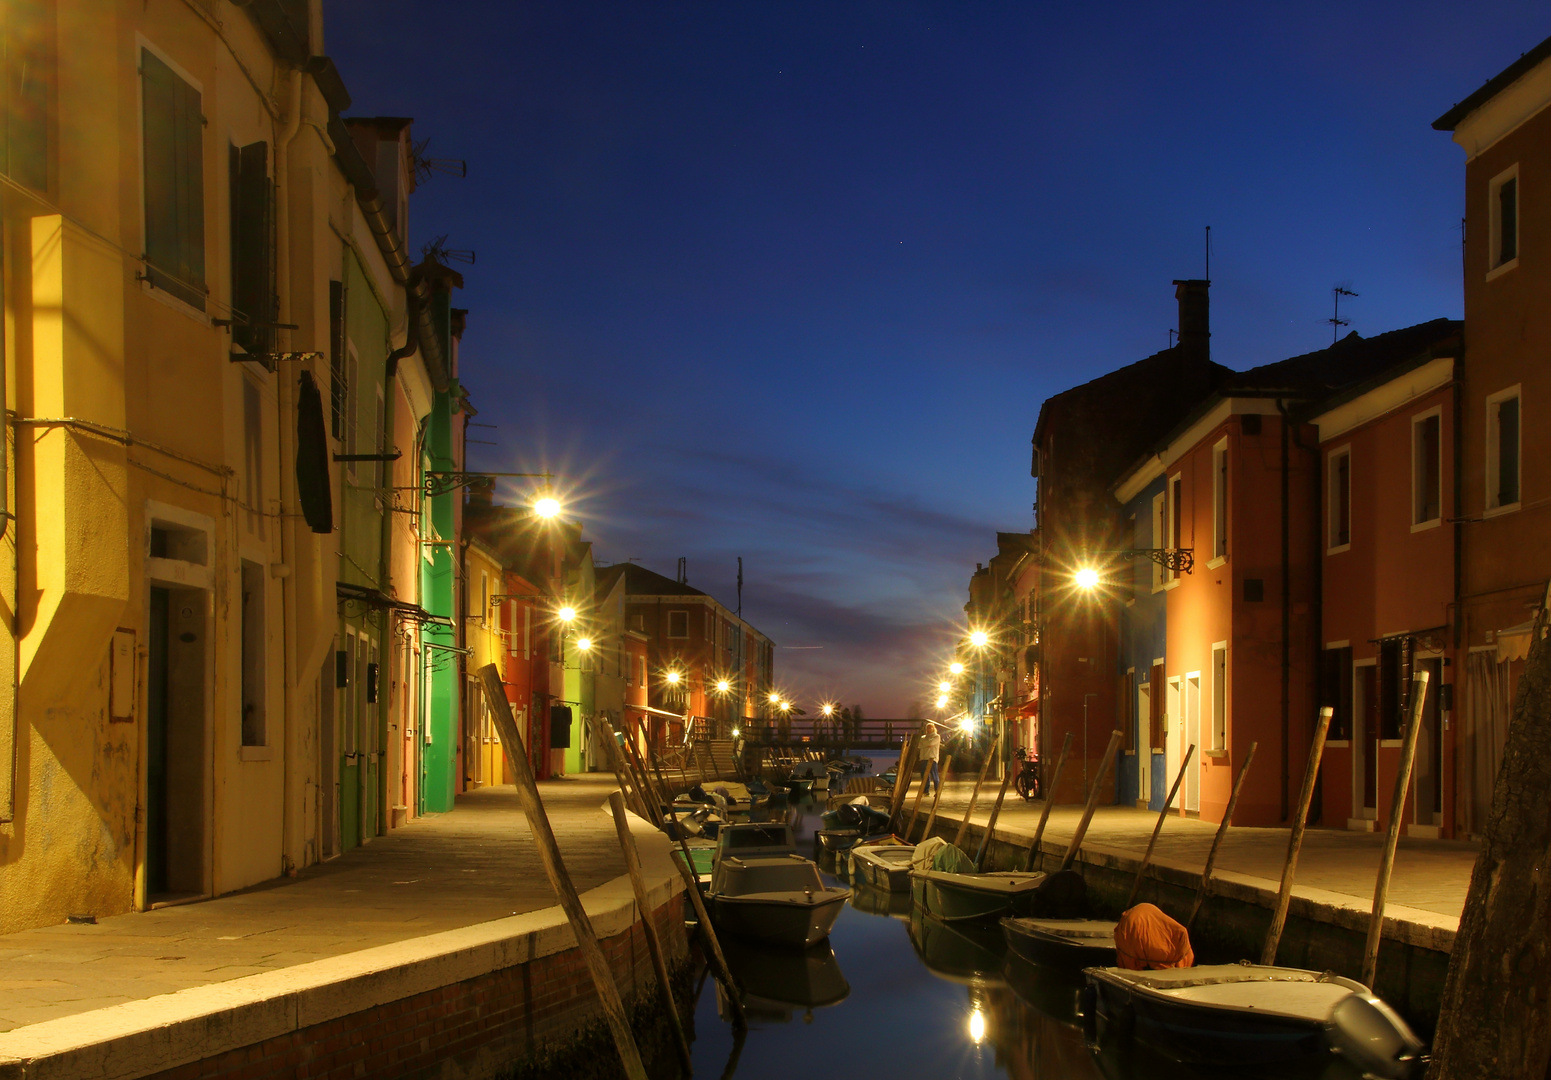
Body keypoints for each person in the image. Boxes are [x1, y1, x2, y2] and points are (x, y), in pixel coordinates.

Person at [918, 720, 942, 795]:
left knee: (934, 775)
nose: (929, 729)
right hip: (924, 758)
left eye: (931, 728)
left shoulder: (936, 736)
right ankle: (926, 791)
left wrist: (925, 744)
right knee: (924, 776)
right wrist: (927, 744)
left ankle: (937, 790)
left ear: (934, 728)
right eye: (928, 728)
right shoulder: (923, 737)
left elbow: (931, 743)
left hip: (932, 758)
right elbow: (919, 745)